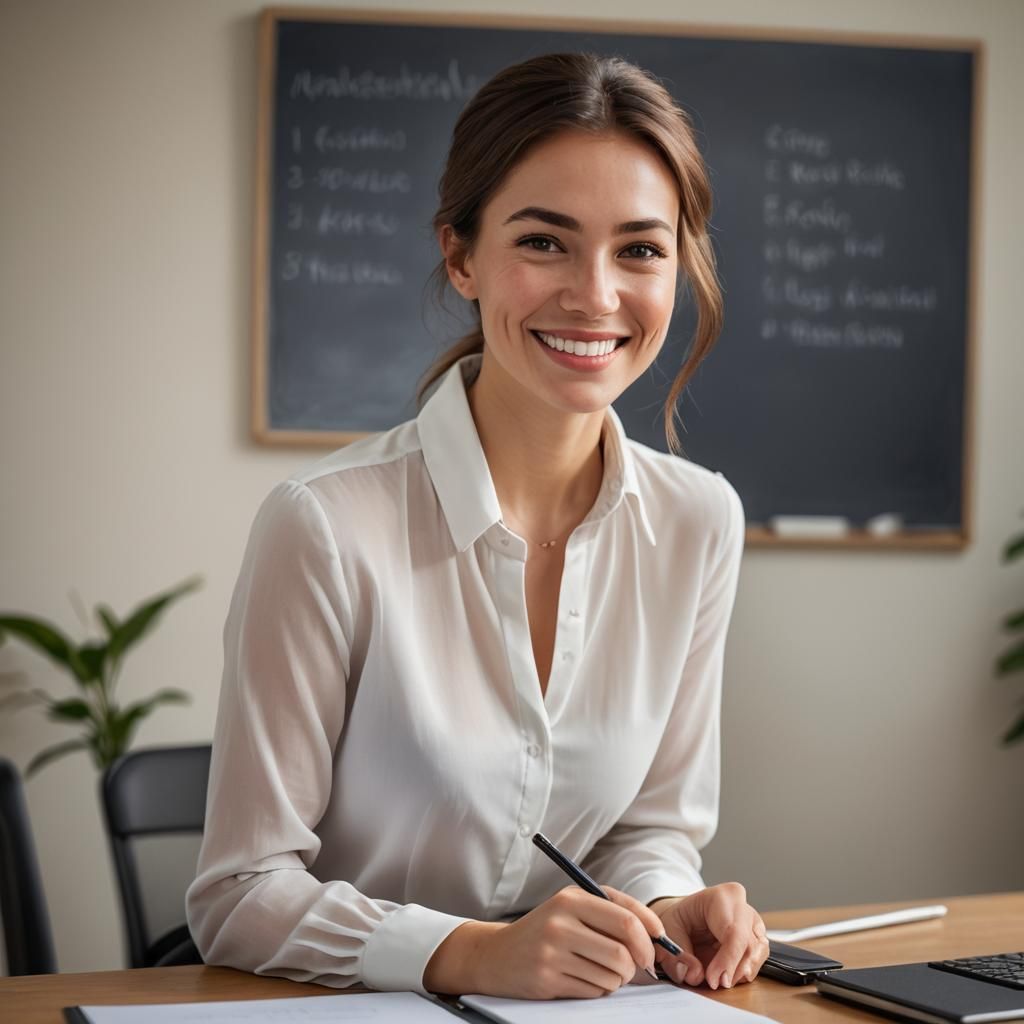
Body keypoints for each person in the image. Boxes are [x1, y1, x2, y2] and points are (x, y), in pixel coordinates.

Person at [187, 51, 768, 1000]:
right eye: (544, 242)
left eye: (640, 248)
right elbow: (238, 894)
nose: (596, 293)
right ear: (460, 255)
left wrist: (665, 904)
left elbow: (652, 828)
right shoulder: (325, 526)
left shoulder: (700, 520)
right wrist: (464, 951)